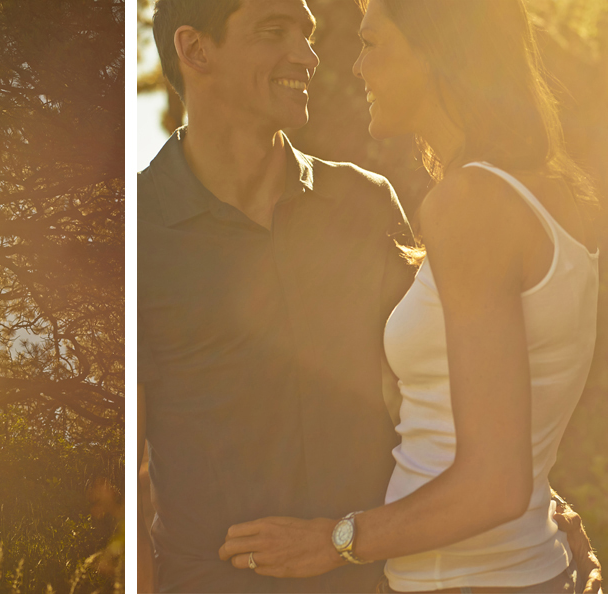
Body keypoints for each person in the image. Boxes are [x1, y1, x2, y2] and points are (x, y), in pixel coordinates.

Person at [218, 0, 604, 592]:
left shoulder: (472, 203)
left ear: (437, 49)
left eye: (372, 44)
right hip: (524, 568)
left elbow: (495, 483)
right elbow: (510, 422)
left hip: (467, 580)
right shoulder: (553, 194)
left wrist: (332, 541)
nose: (356, 69)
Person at [138, 0, 416, 590]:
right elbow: (122, 470)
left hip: (377, 578)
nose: (308, 55)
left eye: (307, 35)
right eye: (274, 31)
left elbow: (448, 384)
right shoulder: (132, 230)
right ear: (195, 50)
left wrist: (541, 505)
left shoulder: (366, 203)